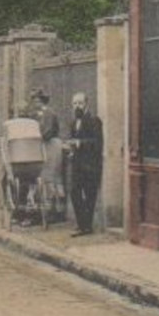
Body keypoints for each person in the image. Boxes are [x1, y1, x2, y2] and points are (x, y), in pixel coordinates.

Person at [64, 92, 104, 237]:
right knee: (74, 192)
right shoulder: (73, 122)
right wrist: (70, 148)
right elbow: (74, 140)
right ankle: (82, 224)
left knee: (89, 195)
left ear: (87, 104)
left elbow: (97, 143)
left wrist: (80, 143)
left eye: (80, 103)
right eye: (74, 104)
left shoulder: (94, 120)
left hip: (90, 165)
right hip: (77, 165)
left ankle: (86, 227)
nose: (77, 106)